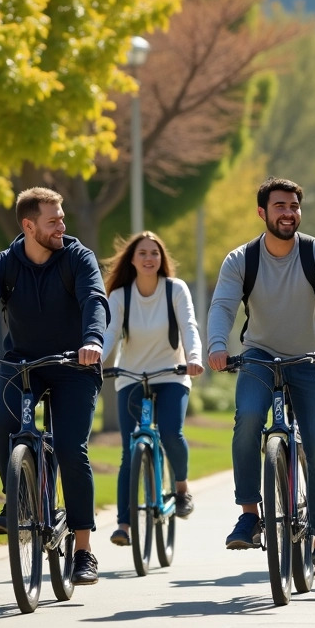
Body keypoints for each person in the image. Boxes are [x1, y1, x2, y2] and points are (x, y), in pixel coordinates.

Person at [0, 187, 107, 586]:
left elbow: (94, 298)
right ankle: (18, 501)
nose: (62, 226)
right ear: (28, 225)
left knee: (72, 448)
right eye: (53, 220)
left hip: (75, 363)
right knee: (4, 427)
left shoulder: (78, 257)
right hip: (22, 364)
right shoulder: (3, 265)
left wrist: (92, 340)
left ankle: (84, 549)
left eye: (62, 218)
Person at [207, 177, 315, 579]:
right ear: (262, 213)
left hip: (309, 357)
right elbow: (222, 304)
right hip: (259, 355)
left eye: (293, 206)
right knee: (248, 421)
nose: (288, 213)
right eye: (279, 206)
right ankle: (250, 515)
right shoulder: (242, 259)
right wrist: (217, 344)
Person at [100, 231, 204, 547]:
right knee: (129, 451)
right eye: (142, 253)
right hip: (130, 376)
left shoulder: (175, 290)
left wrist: (194, 358)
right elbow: (109, 334)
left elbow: (189, 325)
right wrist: (96, 362)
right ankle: (124, 525)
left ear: (162, 259)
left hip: (171, 374)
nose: (149, 258)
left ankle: (182, 489)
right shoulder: (120, 296)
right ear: (132, 259)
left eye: (155, 253)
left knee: (171, 433)